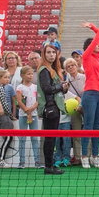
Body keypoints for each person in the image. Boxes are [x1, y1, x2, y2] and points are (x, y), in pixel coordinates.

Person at [79, 20, 99, 168]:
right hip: (90, 94)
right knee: (88, 126)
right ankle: (84, 155)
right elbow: (98, 38)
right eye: (94, 44)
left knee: (97, 126)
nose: (98, 45)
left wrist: (92, 27)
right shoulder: (86, 57)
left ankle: (95, 156)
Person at [36, 44, 66, 175]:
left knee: (51, 138)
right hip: (50, 107)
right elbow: (47, 89)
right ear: (44, 54)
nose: (51, 55)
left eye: (53, 52)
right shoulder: (44, 70)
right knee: (50, 138)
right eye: (48, 52)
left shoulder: (53, 69)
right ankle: (48, 166)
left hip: (54, 106)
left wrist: (63, 88)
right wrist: (61, 86)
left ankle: (50, 165)